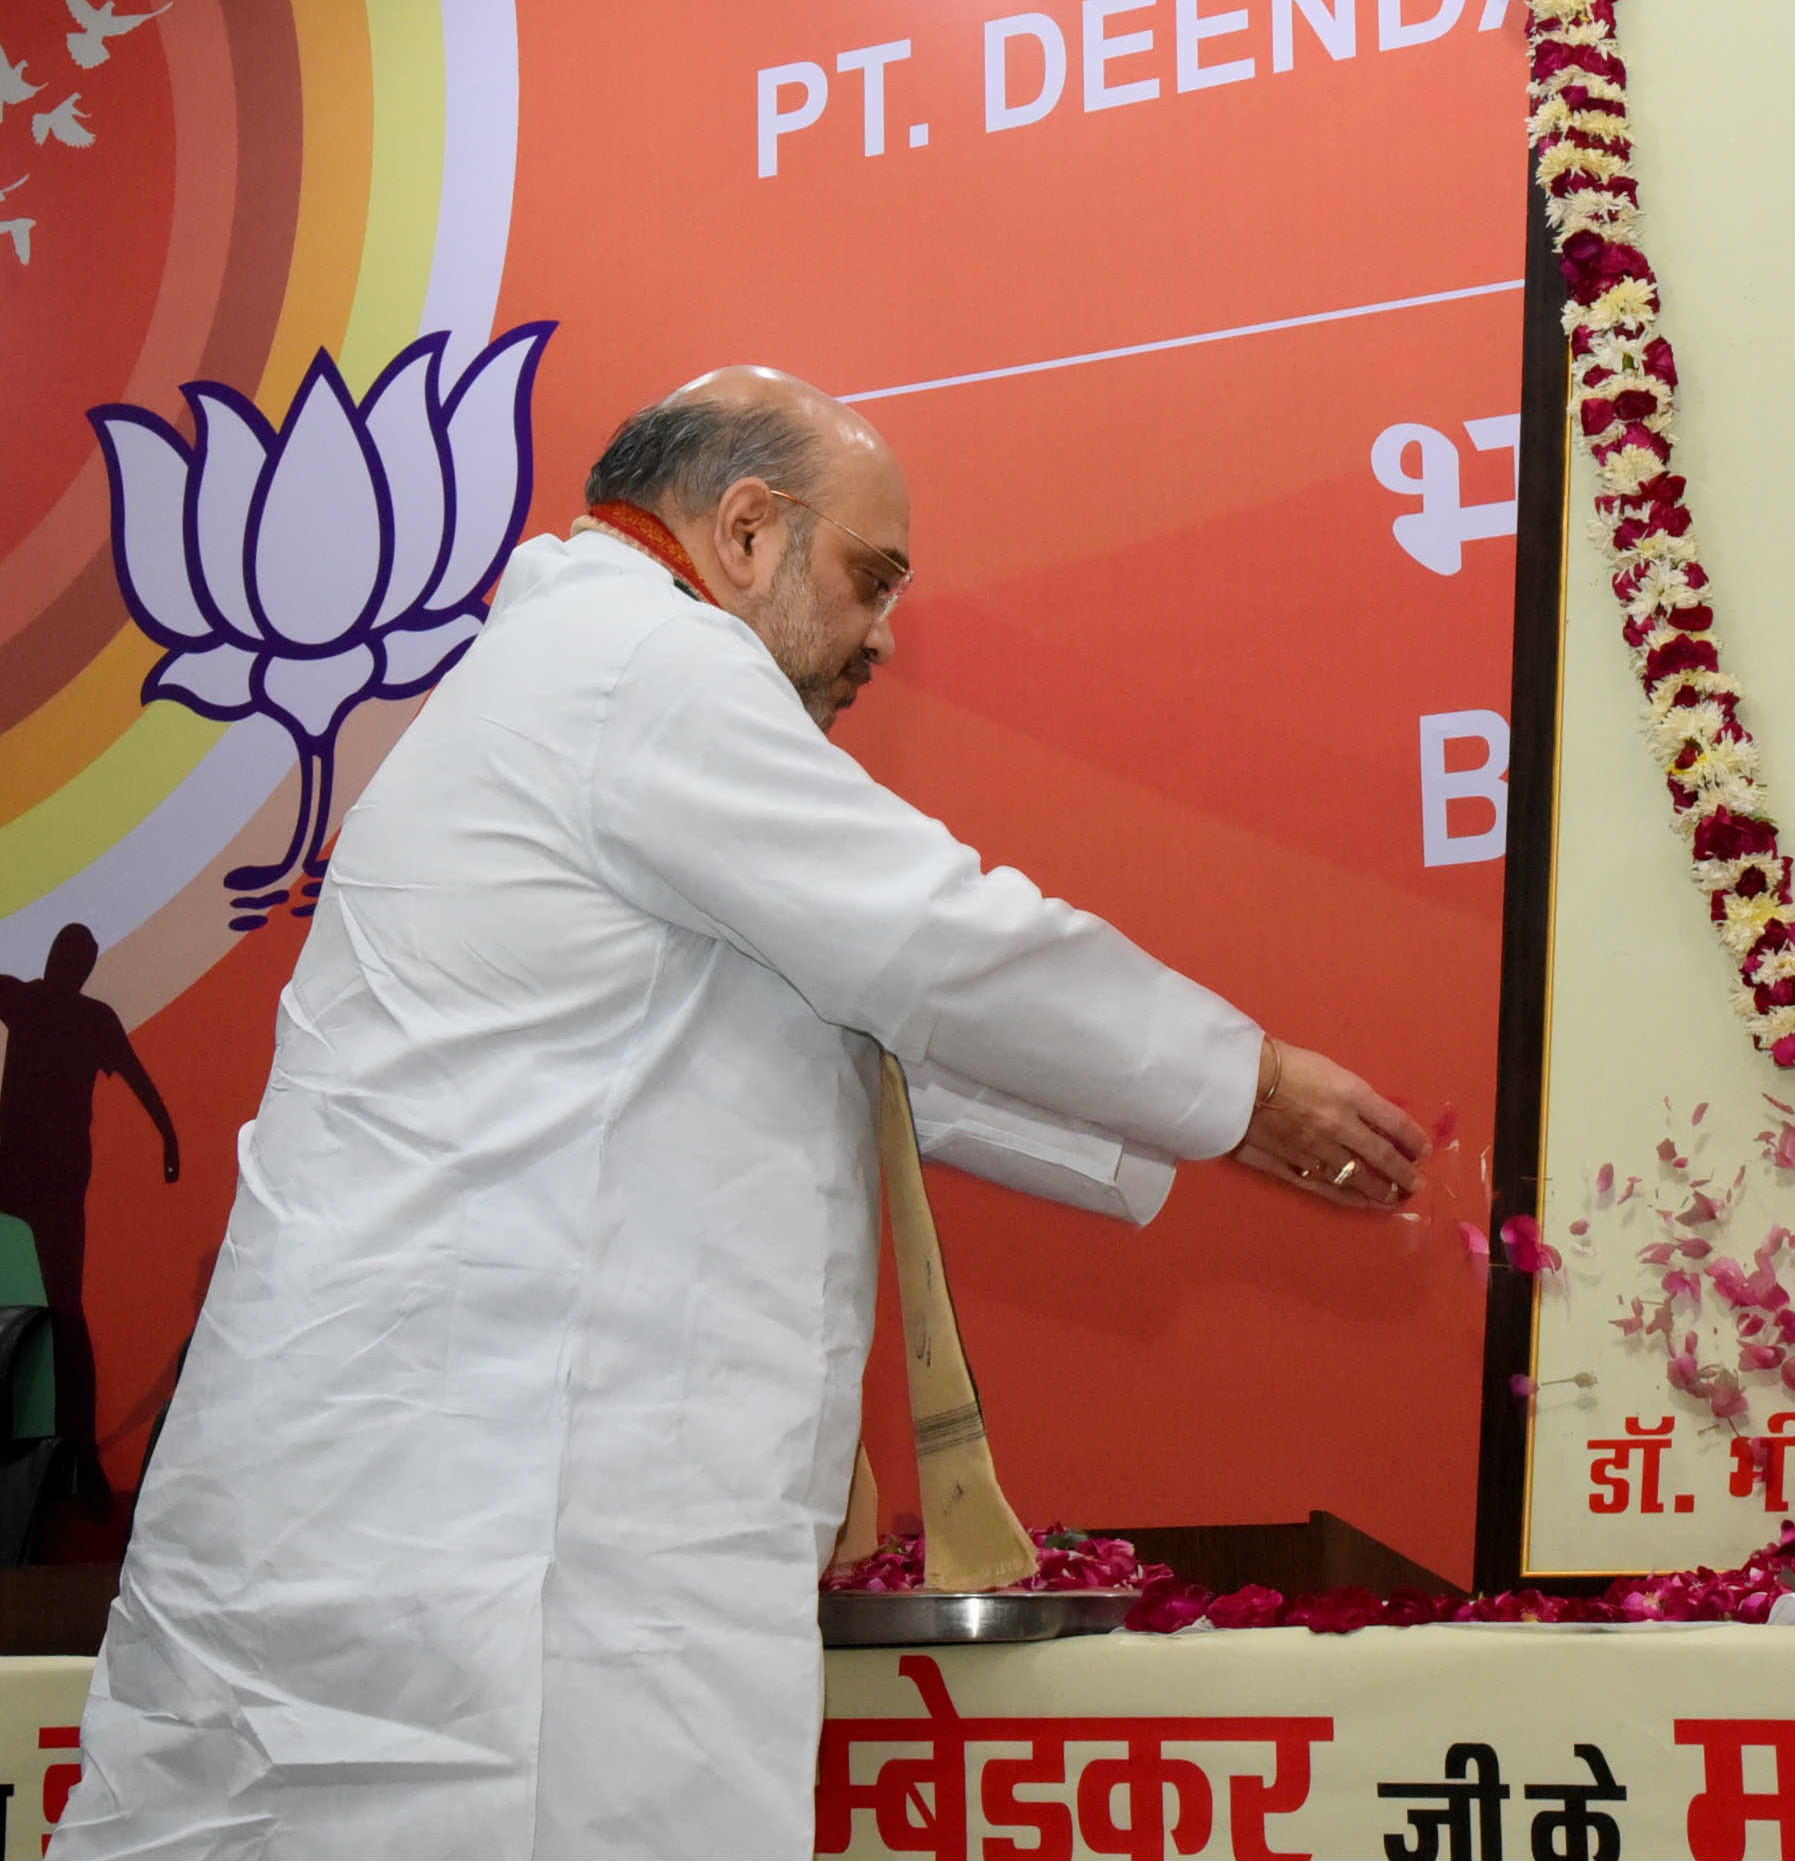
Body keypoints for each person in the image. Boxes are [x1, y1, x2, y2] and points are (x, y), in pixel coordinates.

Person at [56, 368, 1428, 1861]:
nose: (881, 635)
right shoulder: (646, 666)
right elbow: (929, 940)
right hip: (477, 1521)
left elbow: (865, 1027)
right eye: (869, 577)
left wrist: (1208, 1109)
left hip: (435, 1503)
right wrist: (1250, 1083)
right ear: (749, 532)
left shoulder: (581, 672)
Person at [0, 923, 180, 1514]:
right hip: (25, 1175)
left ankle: (78, 1450)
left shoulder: (61, 1010)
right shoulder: (30, 1001)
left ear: (75, 966)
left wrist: (170, 1139)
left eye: (69, 957)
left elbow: (140, 1082)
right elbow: (140, 1083)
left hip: (48, 1182)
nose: (63, 964)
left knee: (68, 1314)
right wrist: (169, 1139)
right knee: (66, 1313)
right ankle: (76, 1449)